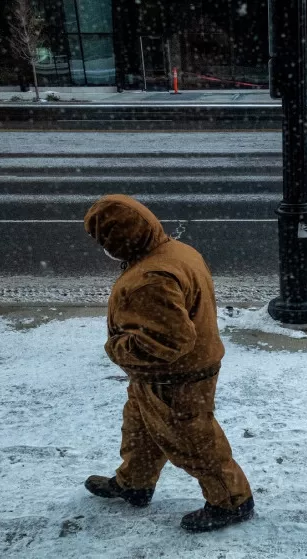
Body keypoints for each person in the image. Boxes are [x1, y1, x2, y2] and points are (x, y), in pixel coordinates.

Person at [82, 194, 254, 532]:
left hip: (176, 378)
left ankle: (231, 501)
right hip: (167, 375)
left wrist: (117, 348)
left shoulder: (151, 277)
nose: (103, 247)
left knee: (194, 441)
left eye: (104, 239)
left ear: (121, 240)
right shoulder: (175, 251)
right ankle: (135, 483)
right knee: (141, 429)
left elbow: (168, 342)